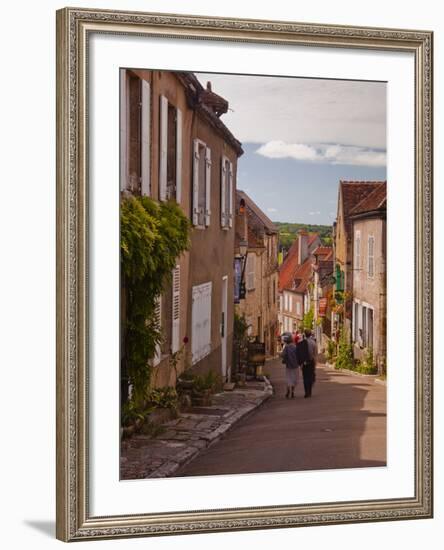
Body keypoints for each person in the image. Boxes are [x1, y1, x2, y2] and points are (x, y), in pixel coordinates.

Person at [297, 329, 317, 398]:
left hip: (304, 362)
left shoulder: (301, 342)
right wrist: (315, 362)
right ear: (310, 334)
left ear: (304, 335)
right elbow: (315, 353)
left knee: (305, 377)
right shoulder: (313, 342)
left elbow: (299, 353)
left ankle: (306, 392)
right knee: (310, 376)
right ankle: (309, 391)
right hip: (311, 361)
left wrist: (300, 363)